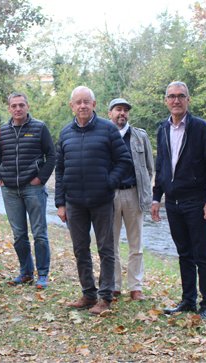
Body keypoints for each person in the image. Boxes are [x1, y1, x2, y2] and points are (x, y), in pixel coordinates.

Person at [55, 86, 131, 315]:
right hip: (75, 202)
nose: (82, 106)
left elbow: (124, 160)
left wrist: (110, 182)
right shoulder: (66, 133)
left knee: (106, 249)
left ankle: (105, 297)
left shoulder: (108, 130)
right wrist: (60, 203)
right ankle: (88, 293)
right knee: (80, 249)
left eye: (86, 101)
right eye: (78, 102)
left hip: (102, 201)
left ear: (94, 104)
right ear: (72, 106)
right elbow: (60, 170)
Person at [151, 81, 206, 319]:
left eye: (181, 96)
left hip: (196, 200)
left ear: (188, 100)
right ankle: (188, 300)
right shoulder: (163, 129)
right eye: (171, 96)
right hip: (173, 202)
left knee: (201, 253)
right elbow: (161, 166)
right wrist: (156, 198)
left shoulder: (201, 128)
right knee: (183, 253)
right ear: (166, 101)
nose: (176, 100)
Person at [0, 92, 55, 289]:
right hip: (10, 190)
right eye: (14, 106)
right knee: (19, 234)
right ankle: (26, 272)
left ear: (27, 106)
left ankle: (43, 275)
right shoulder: (2, 131)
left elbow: (52, 155)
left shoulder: (39, 128)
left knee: (39, 233)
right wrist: (0, 177)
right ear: (9, 108)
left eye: (21, 105)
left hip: (33, 188)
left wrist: (40, 178)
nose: (18, 109)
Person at [108, 98, 154, 301]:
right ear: (110, 113)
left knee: (136, 244)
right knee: (111, 244)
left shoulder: (140, 136)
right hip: (109, 196)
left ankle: (136, 287)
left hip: (134, 194)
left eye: (126, 110)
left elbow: (150, 167)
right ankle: (114, 285)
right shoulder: (102, 135)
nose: (122, 114)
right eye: (118, 110)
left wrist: (146, 193)